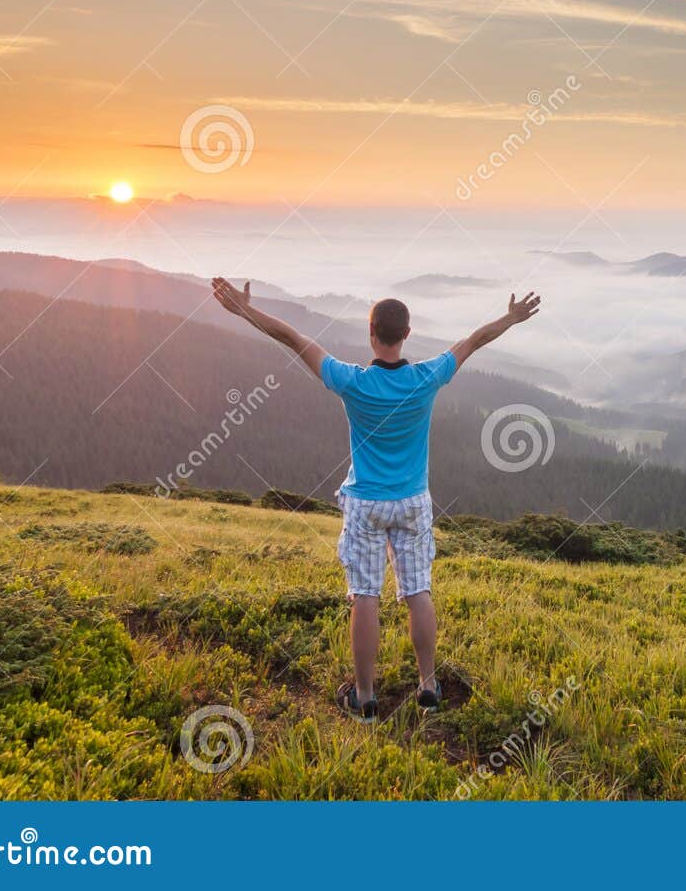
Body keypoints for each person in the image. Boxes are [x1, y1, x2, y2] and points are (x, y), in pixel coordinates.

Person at [211, 278, 541, 720]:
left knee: (365, 595)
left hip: (366, 503)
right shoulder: (428, 377)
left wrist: (244, 311)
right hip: (412, 503)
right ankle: (428, 685)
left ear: (371, 334)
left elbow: (293, 337)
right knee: (418, 590)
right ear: (406, 334)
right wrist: (511, 317)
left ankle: (365, 698)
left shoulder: (351, 382)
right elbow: (474, 341)